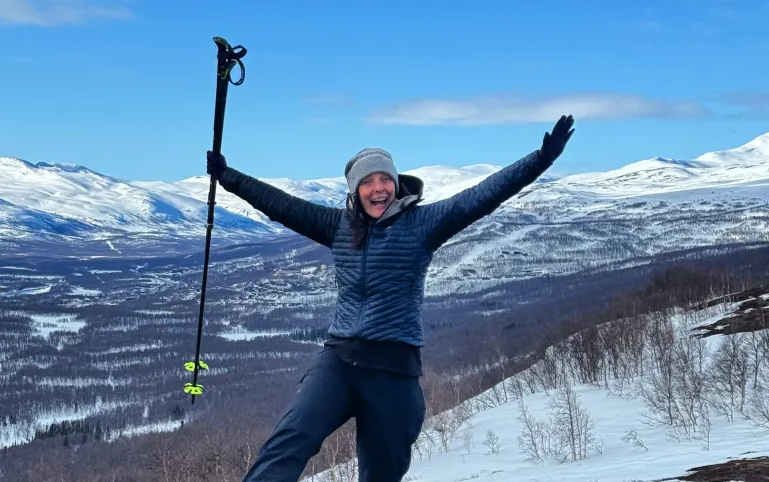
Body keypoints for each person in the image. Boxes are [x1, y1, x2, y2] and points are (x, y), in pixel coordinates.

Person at [206, 115, 576, 482]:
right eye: (367, 181)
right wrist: (228, 177)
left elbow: (480, 197)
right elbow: (280, 204)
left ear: (397, 184)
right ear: (355, 190)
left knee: (382, 473)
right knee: (287, 444)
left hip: (394, 371)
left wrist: (540, 159)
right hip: (338, 361)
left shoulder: (422, 223)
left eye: (385, 179)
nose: (378, 188)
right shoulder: (338, 226)